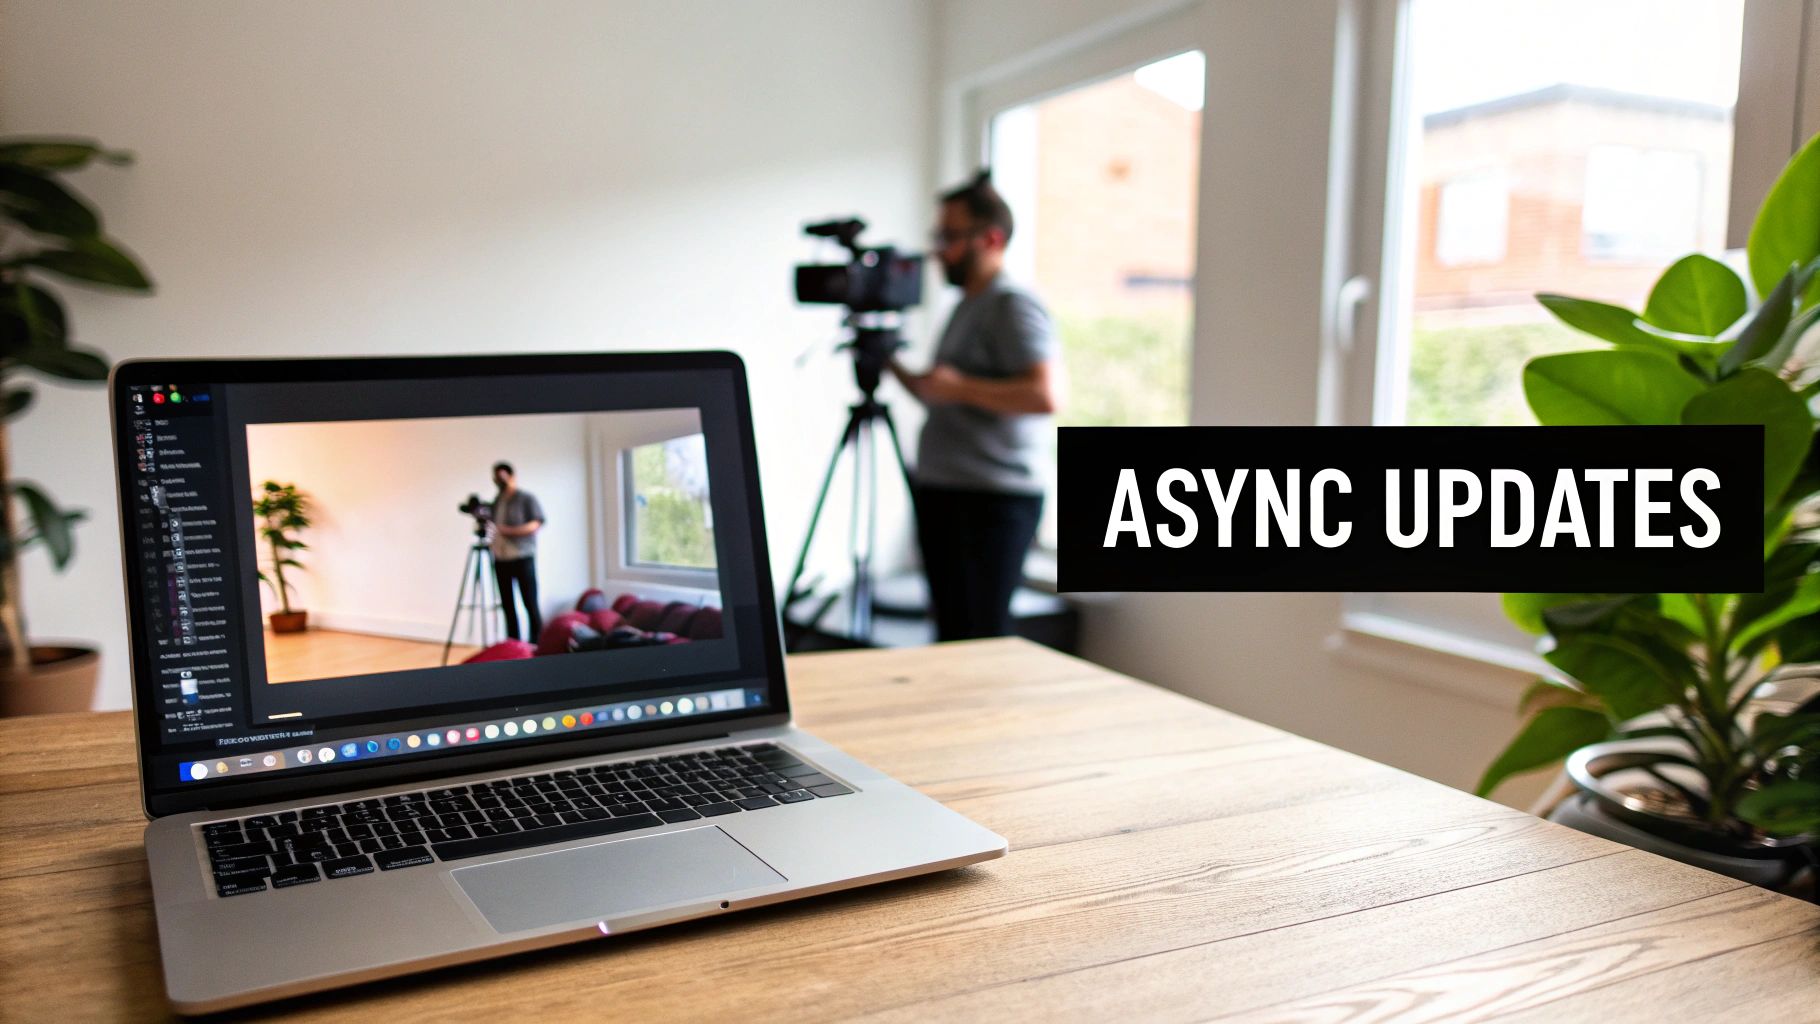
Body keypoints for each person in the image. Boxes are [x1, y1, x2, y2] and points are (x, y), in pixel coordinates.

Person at [891, 170, 1061, 641]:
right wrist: (889, 362)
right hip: (949, 491)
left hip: (991, 502)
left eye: (949, 236)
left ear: (989, 238)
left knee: (979, 638)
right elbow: (941, 395)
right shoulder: (968, 304)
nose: (938, 249)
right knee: (950, 631)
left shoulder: (1012, 305)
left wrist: (959, 387)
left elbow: (1044, 396)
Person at [487, 461, 545, 643]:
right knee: (507, 605)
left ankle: (537, 644)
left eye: (503, 477)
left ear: (512, 476)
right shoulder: (497, 500)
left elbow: (536, 523)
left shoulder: (526, 498)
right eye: (496, 478)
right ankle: (513, 644)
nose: (499, 482)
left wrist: (508, 530)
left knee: (529, 602)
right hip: (501, 558)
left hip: (522, 557)